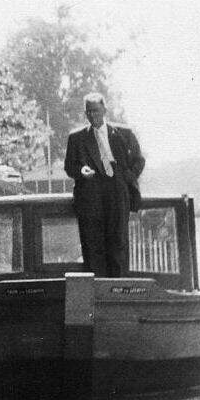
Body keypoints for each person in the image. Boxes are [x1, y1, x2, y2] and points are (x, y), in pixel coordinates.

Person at [64, 93, 144, 277]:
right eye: (89, 112)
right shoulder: (76, 138)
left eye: (96, 111)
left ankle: (118, 288)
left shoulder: (124, 134)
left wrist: (126, 177)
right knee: (93, 247)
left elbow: (139, 160)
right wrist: (81, 171)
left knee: (118, 245)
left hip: (117, 196)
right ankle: (97, 288)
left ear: (104, 110)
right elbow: (69, 167)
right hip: (90, 198)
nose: (92, 115)